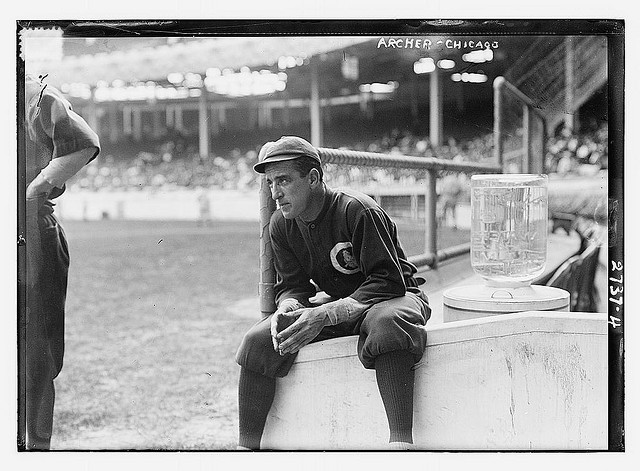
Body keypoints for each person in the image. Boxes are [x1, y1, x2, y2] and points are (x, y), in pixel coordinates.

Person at [235, 136, 431, 450]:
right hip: (340, 304)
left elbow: (388, 280)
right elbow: (292, 285)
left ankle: (401, 446)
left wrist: (327, 313)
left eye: (283, 180)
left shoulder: (357, 209)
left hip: (393, 297)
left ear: (313, 178)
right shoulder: (281, 225)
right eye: (271, 183)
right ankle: (245, 450)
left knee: (386, 324)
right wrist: (289, 305)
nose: (276, 192)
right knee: (260, 340)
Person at [22, 74, 100, 450]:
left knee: (35, 351)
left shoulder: (33, 95)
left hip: (28, 230)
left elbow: (84, 142)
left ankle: (33, 449)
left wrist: (34, 187)